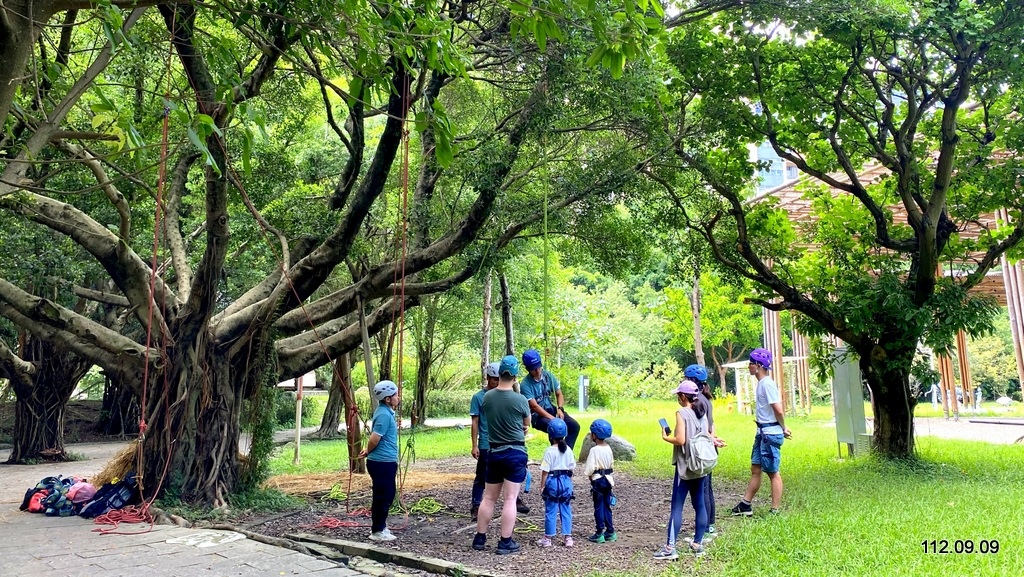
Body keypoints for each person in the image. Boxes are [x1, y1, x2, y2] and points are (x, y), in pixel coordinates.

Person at [473, 355, 531, 555]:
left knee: (488, 497)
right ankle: (505, 541)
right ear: (515, 375)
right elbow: (527, 423)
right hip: (515, 452)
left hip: (494, 451)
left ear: (499, 374)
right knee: (510, 498)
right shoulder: (520, 399)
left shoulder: (487, 397)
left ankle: (480, 537)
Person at [731, 348, 792, 517]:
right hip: (762, 432)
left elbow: (778, 410)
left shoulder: (767, 384)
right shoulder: (761, 384)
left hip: (770, 434)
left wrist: (783, 428)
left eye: (750, 364)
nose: (748, 366)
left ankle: (775, 510)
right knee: (756, 468)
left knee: (773, 472)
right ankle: (745, 505)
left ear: (758, 365)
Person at [654, 380, 710, 560]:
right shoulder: (702, 410)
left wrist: (664, 437)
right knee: (699, 504)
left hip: (685, 466)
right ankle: (698, 544)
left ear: (683, 396)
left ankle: (670, 548)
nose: (678, 398)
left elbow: (680, 440)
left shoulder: (682, 413)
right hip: (700, 466)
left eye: (678, 395)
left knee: (677, 507)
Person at [684, 364, 726, 538]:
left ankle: (706, 529)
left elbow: (700, 427)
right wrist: (712, 439)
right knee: (707, 489)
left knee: (702, 491)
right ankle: (710, 525)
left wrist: (708, 439)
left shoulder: (697, 401)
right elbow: (711, 425)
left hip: (701, 452)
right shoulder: (706, 399)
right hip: (708, 449)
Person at [359, 380, 400, 542]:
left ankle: (381, 525)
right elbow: (375, 438)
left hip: (387, 461)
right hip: (382, 463)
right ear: (388, 399)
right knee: (383, 496)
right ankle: (377, 530)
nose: (398, 397)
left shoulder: (386, 412)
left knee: (387, 494)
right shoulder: (383, 414)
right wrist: (368, 450)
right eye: (395, 394)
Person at [519, 349, 581, 449]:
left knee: (574, 426)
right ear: (527, 369)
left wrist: (560, 409)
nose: (537, 371)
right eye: (534, 369)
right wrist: (552, 419)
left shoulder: (548, 376)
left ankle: (566, 453)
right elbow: (534, 406)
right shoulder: (525, 384)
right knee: (556, 429)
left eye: (539, 367)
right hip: (538, 416)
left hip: (551, 409)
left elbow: (559, 393)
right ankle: (557, 455)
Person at [537, 417, 575, 548]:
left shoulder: (549, 451)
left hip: (553, 481)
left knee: (551, 510)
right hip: (566, 481)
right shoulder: (568, 450)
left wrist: (542, 486)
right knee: (566, 509)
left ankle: (548, 538)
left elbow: (545, 471)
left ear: (550, 435)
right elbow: (571, 468)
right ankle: (568, 538)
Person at [470, 362, 500, 521]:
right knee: (481, 476)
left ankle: (513, 501)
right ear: (488, 378)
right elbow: (475, 422)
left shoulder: (503, 395)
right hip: (486, 443)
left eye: (499, 379)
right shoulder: (478, 397)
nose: (497, 382)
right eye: (494, 379)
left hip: (502, 443)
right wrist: (474, 445)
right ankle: (475, 505)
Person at [584, 418, 617, 544]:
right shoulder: (608, 448)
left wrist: (590, 477)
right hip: (608, 480)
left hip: (598, 480)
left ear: (594, 435)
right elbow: (611, 464)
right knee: (607, 506)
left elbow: (590, 468)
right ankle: (610, 531)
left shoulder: (594, 450)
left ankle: (599, 533)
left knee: (598, 507)